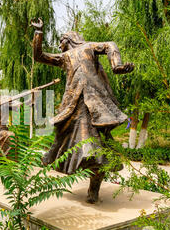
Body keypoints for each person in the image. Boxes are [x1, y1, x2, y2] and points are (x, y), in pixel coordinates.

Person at [31, 18, 134, 203]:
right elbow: (38, 56)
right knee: (63, 135)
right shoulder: (64, 57)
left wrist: (116, 66)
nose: (59, 45)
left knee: (94, 150)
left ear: (69, 39)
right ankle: (52, 158)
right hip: (71, 106)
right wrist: (38, 33)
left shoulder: (87, 47)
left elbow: (110, 45)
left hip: (93, 104)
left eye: (61, 41)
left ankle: (93, 189)